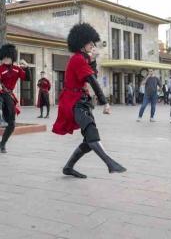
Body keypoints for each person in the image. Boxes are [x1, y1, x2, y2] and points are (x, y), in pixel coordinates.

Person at [53, 23, 126, 178]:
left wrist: (92, 60)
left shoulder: (83, 59)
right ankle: (109, 162)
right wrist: (104, 102)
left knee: (89, 138)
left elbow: (92, 75)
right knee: (91, 131)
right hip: (74, 101)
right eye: (90, 43)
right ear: (81, 44)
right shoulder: (78, 59)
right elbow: (92, 80)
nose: (93, 45)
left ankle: (68, 167)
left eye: (93, 42)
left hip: (81, 99)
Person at [0, 44, 31, 153]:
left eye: (8, 56)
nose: (6, 58)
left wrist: (27, 67)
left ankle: (3, 143)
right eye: (4, 57)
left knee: (11, 124)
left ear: (12, 57)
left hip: (9, 95)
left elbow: (27, 78)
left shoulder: (17, 70)